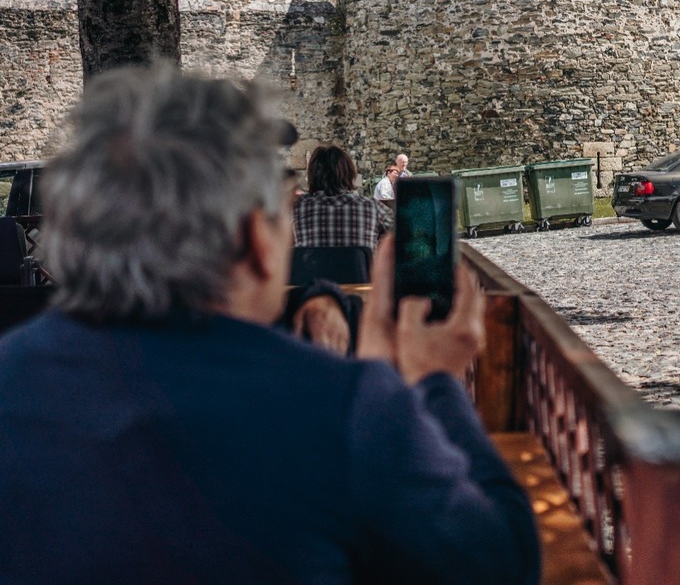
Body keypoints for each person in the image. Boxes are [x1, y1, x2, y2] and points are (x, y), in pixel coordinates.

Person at [0, 65, 540, 583]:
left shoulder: (13, 374)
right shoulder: (342, 407)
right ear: (256, 240)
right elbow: (499, 562)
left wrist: (319, 298)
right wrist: (434, 381)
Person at [294, 144, 388, 248]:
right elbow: (400, 233)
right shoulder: (372, 207)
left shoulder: (297, 207)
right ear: (349, 173)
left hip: (310, 258)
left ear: (312, 174)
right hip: (359, 259)